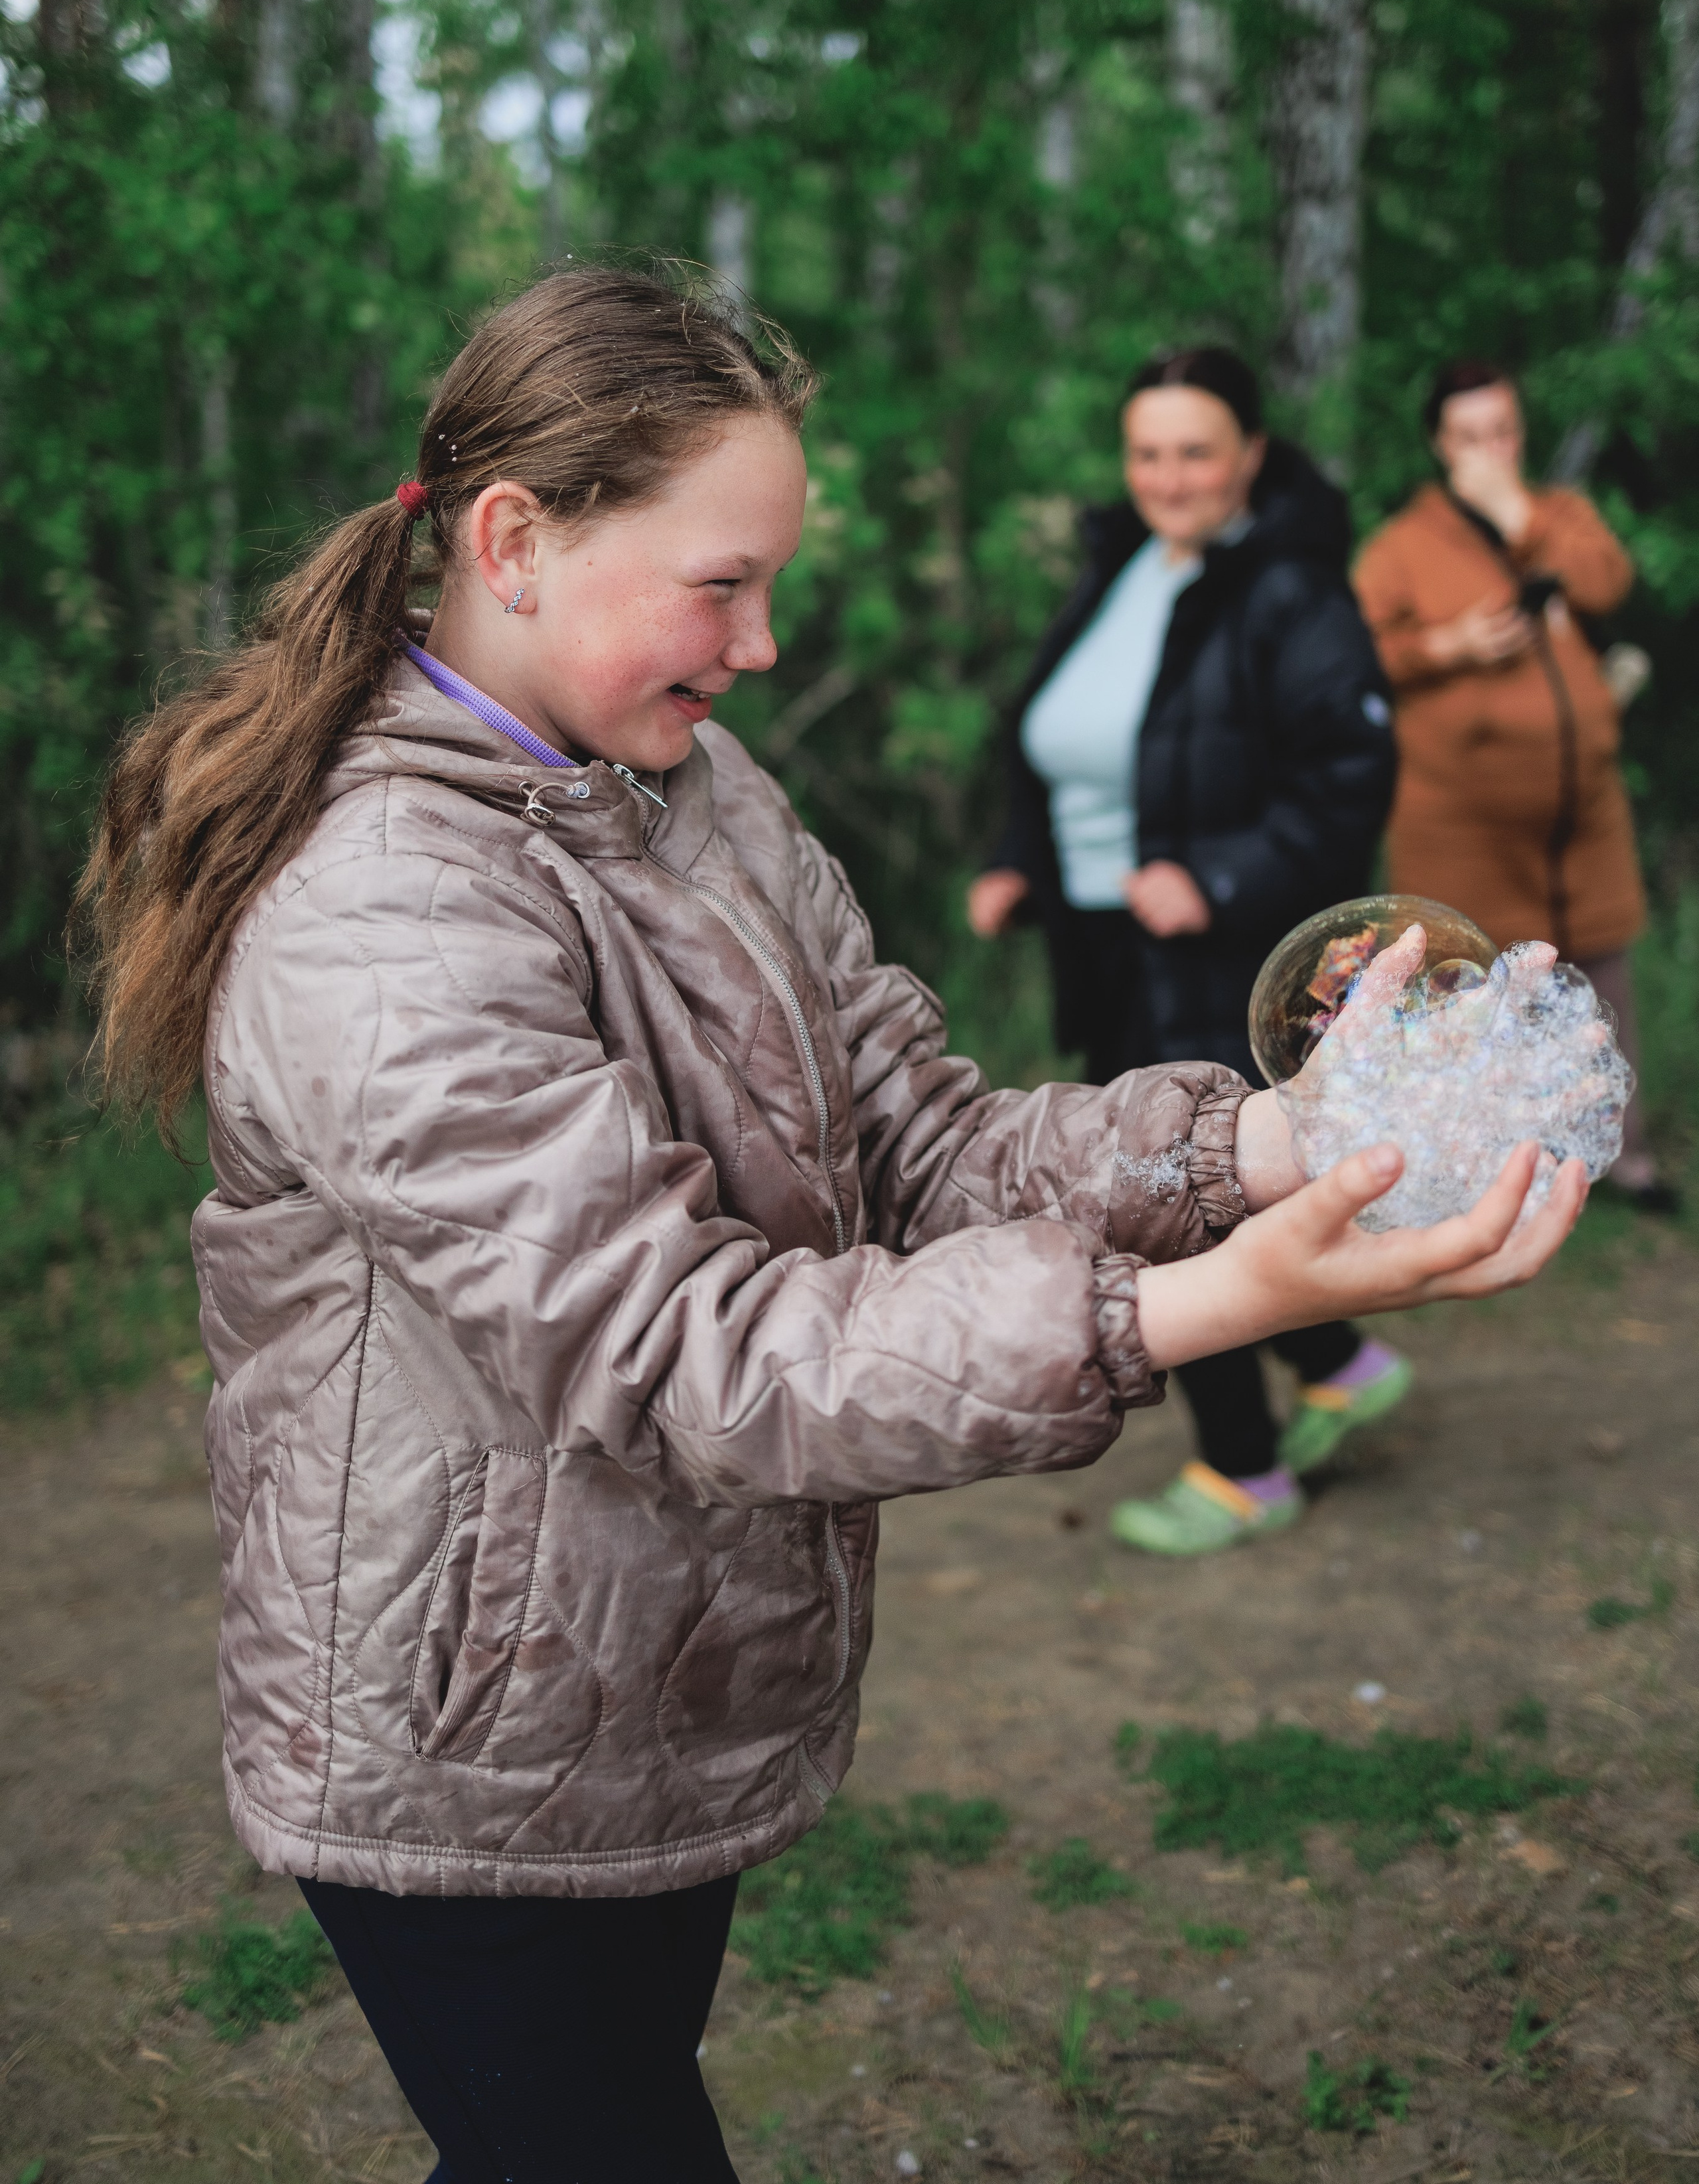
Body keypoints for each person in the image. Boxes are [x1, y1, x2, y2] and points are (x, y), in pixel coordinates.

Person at [75, 271, 1581, 2184]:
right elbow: (687, 1347)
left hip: (645, 1696)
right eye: (723, 584)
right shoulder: (374, 914)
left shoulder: (688, 787)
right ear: (514, 541)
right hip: (462, 1748)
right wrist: (1196, 1309)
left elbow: (922, 1139)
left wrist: (1277, 1143)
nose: (764, 644)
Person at [969, 346, 1406, 1558]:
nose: (1169, 476)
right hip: (1106, 948)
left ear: (1251, 456)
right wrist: (1022, 864)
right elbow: (1054, 743)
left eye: (1196, 451)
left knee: (1173, 1204)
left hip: (1212, 961)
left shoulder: (1289, 591)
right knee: (1173, 1185)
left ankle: (1244, 1471)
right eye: (1147, 451)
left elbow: (1351, 777)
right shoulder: (1124, 566)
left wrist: (1214, 878)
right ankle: (1341, 1358)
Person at [1353, 357, 1670, 1208]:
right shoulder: (1402, 547)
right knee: (1473, 984)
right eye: (1468, 437)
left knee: (1599, 979)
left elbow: (1606, 580)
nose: (1488, 450)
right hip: (1460, 817)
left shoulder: (1556, 516)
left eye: (1501, 432)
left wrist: (1513, 512)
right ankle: (1479, 1162)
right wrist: (1444, 647)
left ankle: (1616, 1156)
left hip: (1583, 811)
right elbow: (1355, 655)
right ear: (1437, 444)